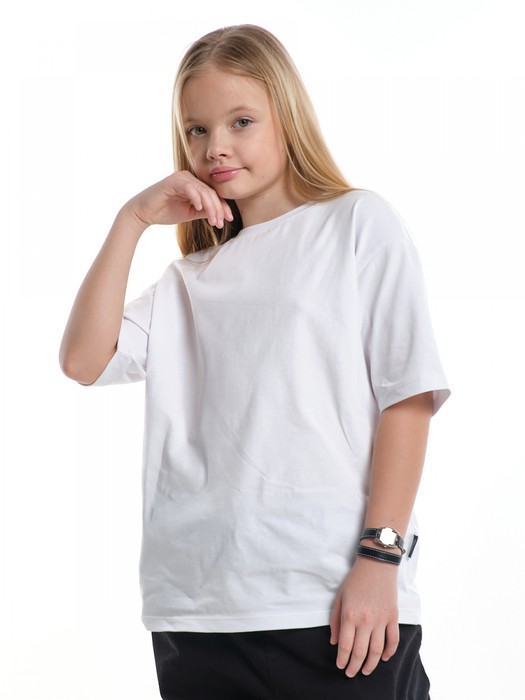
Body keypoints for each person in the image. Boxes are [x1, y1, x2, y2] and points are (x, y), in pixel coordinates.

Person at [60, 24, 450, 700]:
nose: (216, 146)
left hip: (329, 599)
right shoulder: (188, 281)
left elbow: (407, 396)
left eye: (241, 121)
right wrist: (132, 219)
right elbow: (82, 360)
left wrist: (379, 558)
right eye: (196, 129)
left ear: (286, 116)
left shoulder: (356, 224)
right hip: (198, 610)